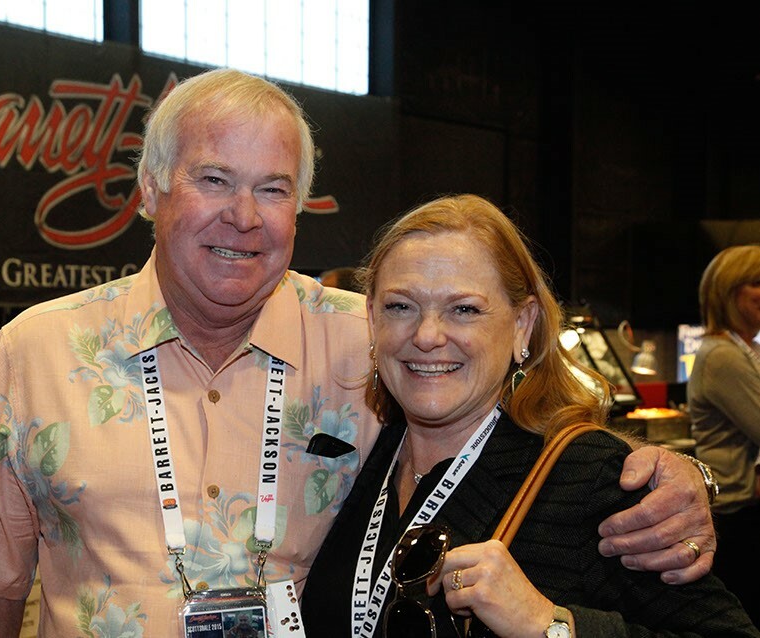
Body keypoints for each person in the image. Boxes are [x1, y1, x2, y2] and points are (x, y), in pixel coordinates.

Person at [0, 69, 714, 637]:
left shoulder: (373, 338)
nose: (244, 216)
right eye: (214, 179)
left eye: (272, 188)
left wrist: (674, 474)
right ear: (151, 190)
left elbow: (516, 415)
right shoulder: (35, 352)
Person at [301, 194, 756, 637]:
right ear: (371, 318)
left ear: (523, 324)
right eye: (400, 307)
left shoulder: (589, 478)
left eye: (464, 309)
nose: (427, 335)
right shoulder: (363, 449)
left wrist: (550, 625)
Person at [688, 244, 760, 623]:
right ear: (730, 293)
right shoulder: (723, 355)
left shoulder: (744, 349)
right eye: (757, 283)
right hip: (737, 513)